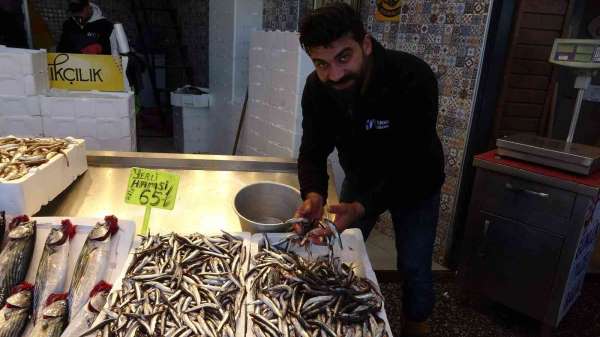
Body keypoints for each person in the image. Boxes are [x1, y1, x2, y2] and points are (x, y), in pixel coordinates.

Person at [293, 3, 445, 336]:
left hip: (416, 179)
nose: (334, 74)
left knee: (414, 265)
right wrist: (314, 193)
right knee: (341, 251)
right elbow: (313, 150)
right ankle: (337, 318)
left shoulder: (412, 76)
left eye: (343, 57)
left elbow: (413, 160)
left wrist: (363, 206)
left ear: (366, 44)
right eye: (322, 63)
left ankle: (416, 324)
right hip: (361, 179)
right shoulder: (317, 89)